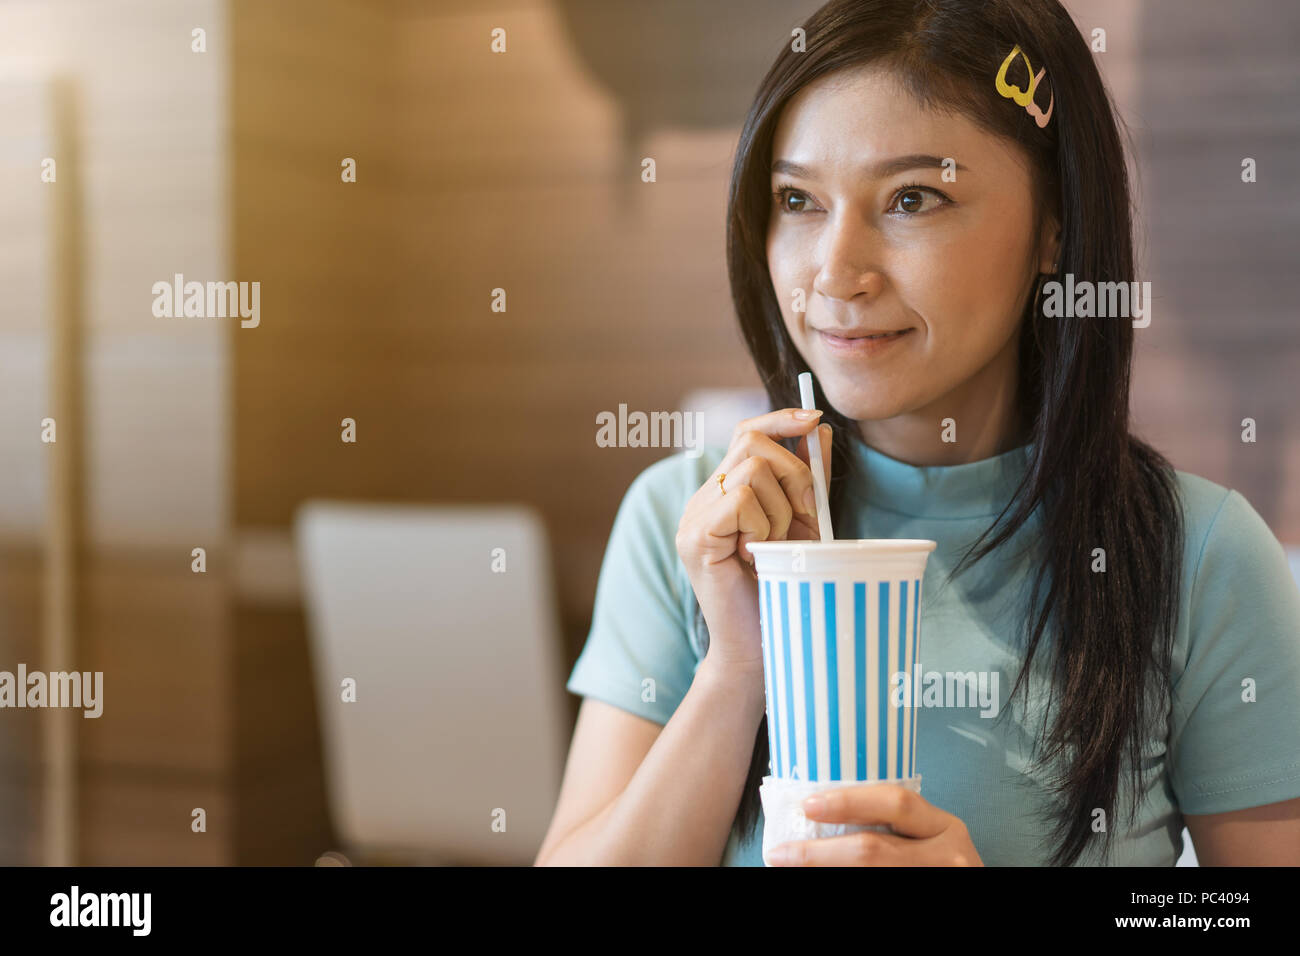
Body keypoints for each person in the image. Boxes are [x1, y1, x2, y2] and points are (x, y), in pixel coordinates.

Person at [534, 0, 1300, 866]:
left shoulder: (1197, 558)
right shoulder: (694, 522)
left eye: (912, 198)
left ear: (1055, 226)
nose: (834, 272)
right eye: (797, 199)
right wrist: (738, 668)